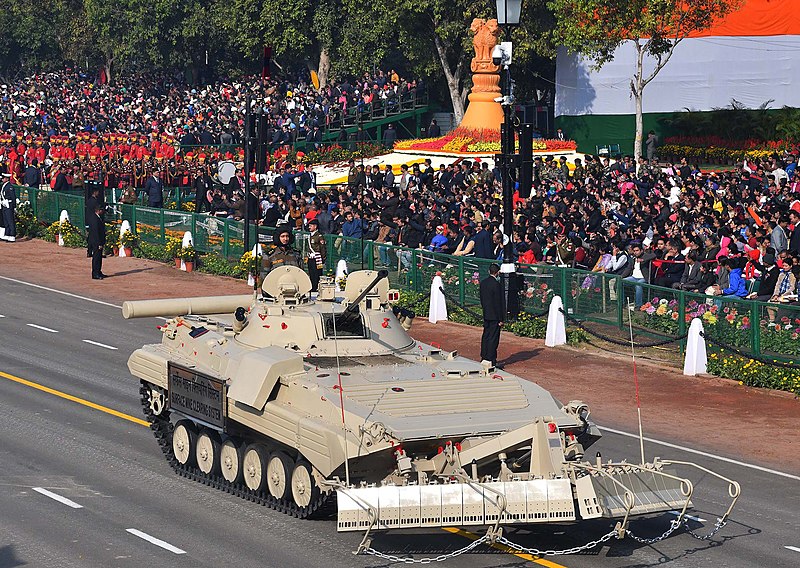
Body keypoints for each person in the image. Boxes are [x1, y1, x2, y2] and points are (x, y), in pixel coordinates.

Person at [479, 263, 504, 367]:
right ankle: (491, 359)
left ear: (489, 271)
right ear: (497, 273)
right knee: (493, 338)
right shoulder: (497, 285)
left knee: (486, 336)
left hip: (486, 313)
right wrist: (501, 318)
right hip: (495, 316)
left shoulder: (483, 283)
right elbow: (498, 303)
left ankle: (484, 356)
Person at [86, 203, 106, 279]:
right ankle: (95, 273)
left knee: (99, 257)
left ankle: (98, 271)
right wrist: (99, 243)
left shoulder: (97, 217)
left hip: (98, 241)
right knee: (96, 257)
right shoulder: (94, 219)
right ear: (98, 210)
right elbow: (95, 232)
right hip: (96, 242)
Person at [306, 218, 326, 292]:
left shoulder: (319, 236)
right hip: (311, 257)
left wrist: (323, 258)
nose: (309, 227)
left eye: (311, 226)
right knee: (311, 272)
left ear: (315, 226)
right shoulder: (310, 235)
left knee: (317, 273)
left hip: (317, 257)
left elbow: (322, 248)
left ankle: (316, 286)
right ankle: (312, 286)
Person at [0, 173, 16, 242]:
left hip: (9, 204)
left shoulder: (10, 186)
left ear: (7, 179)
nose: (2, 179)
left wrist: (14, 206)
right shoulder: (4, 185)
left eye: (3, 178)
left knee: (10, 220)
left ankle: (12, 235)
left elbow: (13, 197)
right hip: (4, 204)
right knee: (6, 220)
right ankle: (7, 234)